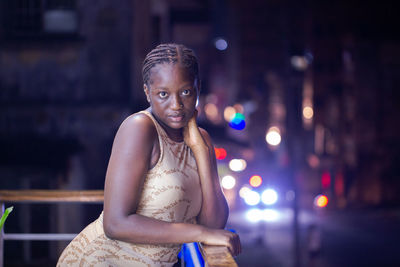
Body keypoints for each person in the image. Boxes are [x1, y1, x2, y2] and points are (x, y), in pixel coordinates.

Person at [57, 43, 241, 267]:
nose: (176, 105)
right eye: (163, 94)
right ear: (147, 92)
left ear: (198, 88)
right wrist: (199, 233)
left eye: (185, 92)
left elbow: (214, 224)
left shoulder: (201, 139)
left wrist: (200, 150)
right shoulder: (140, 128)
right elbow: (115, 224)